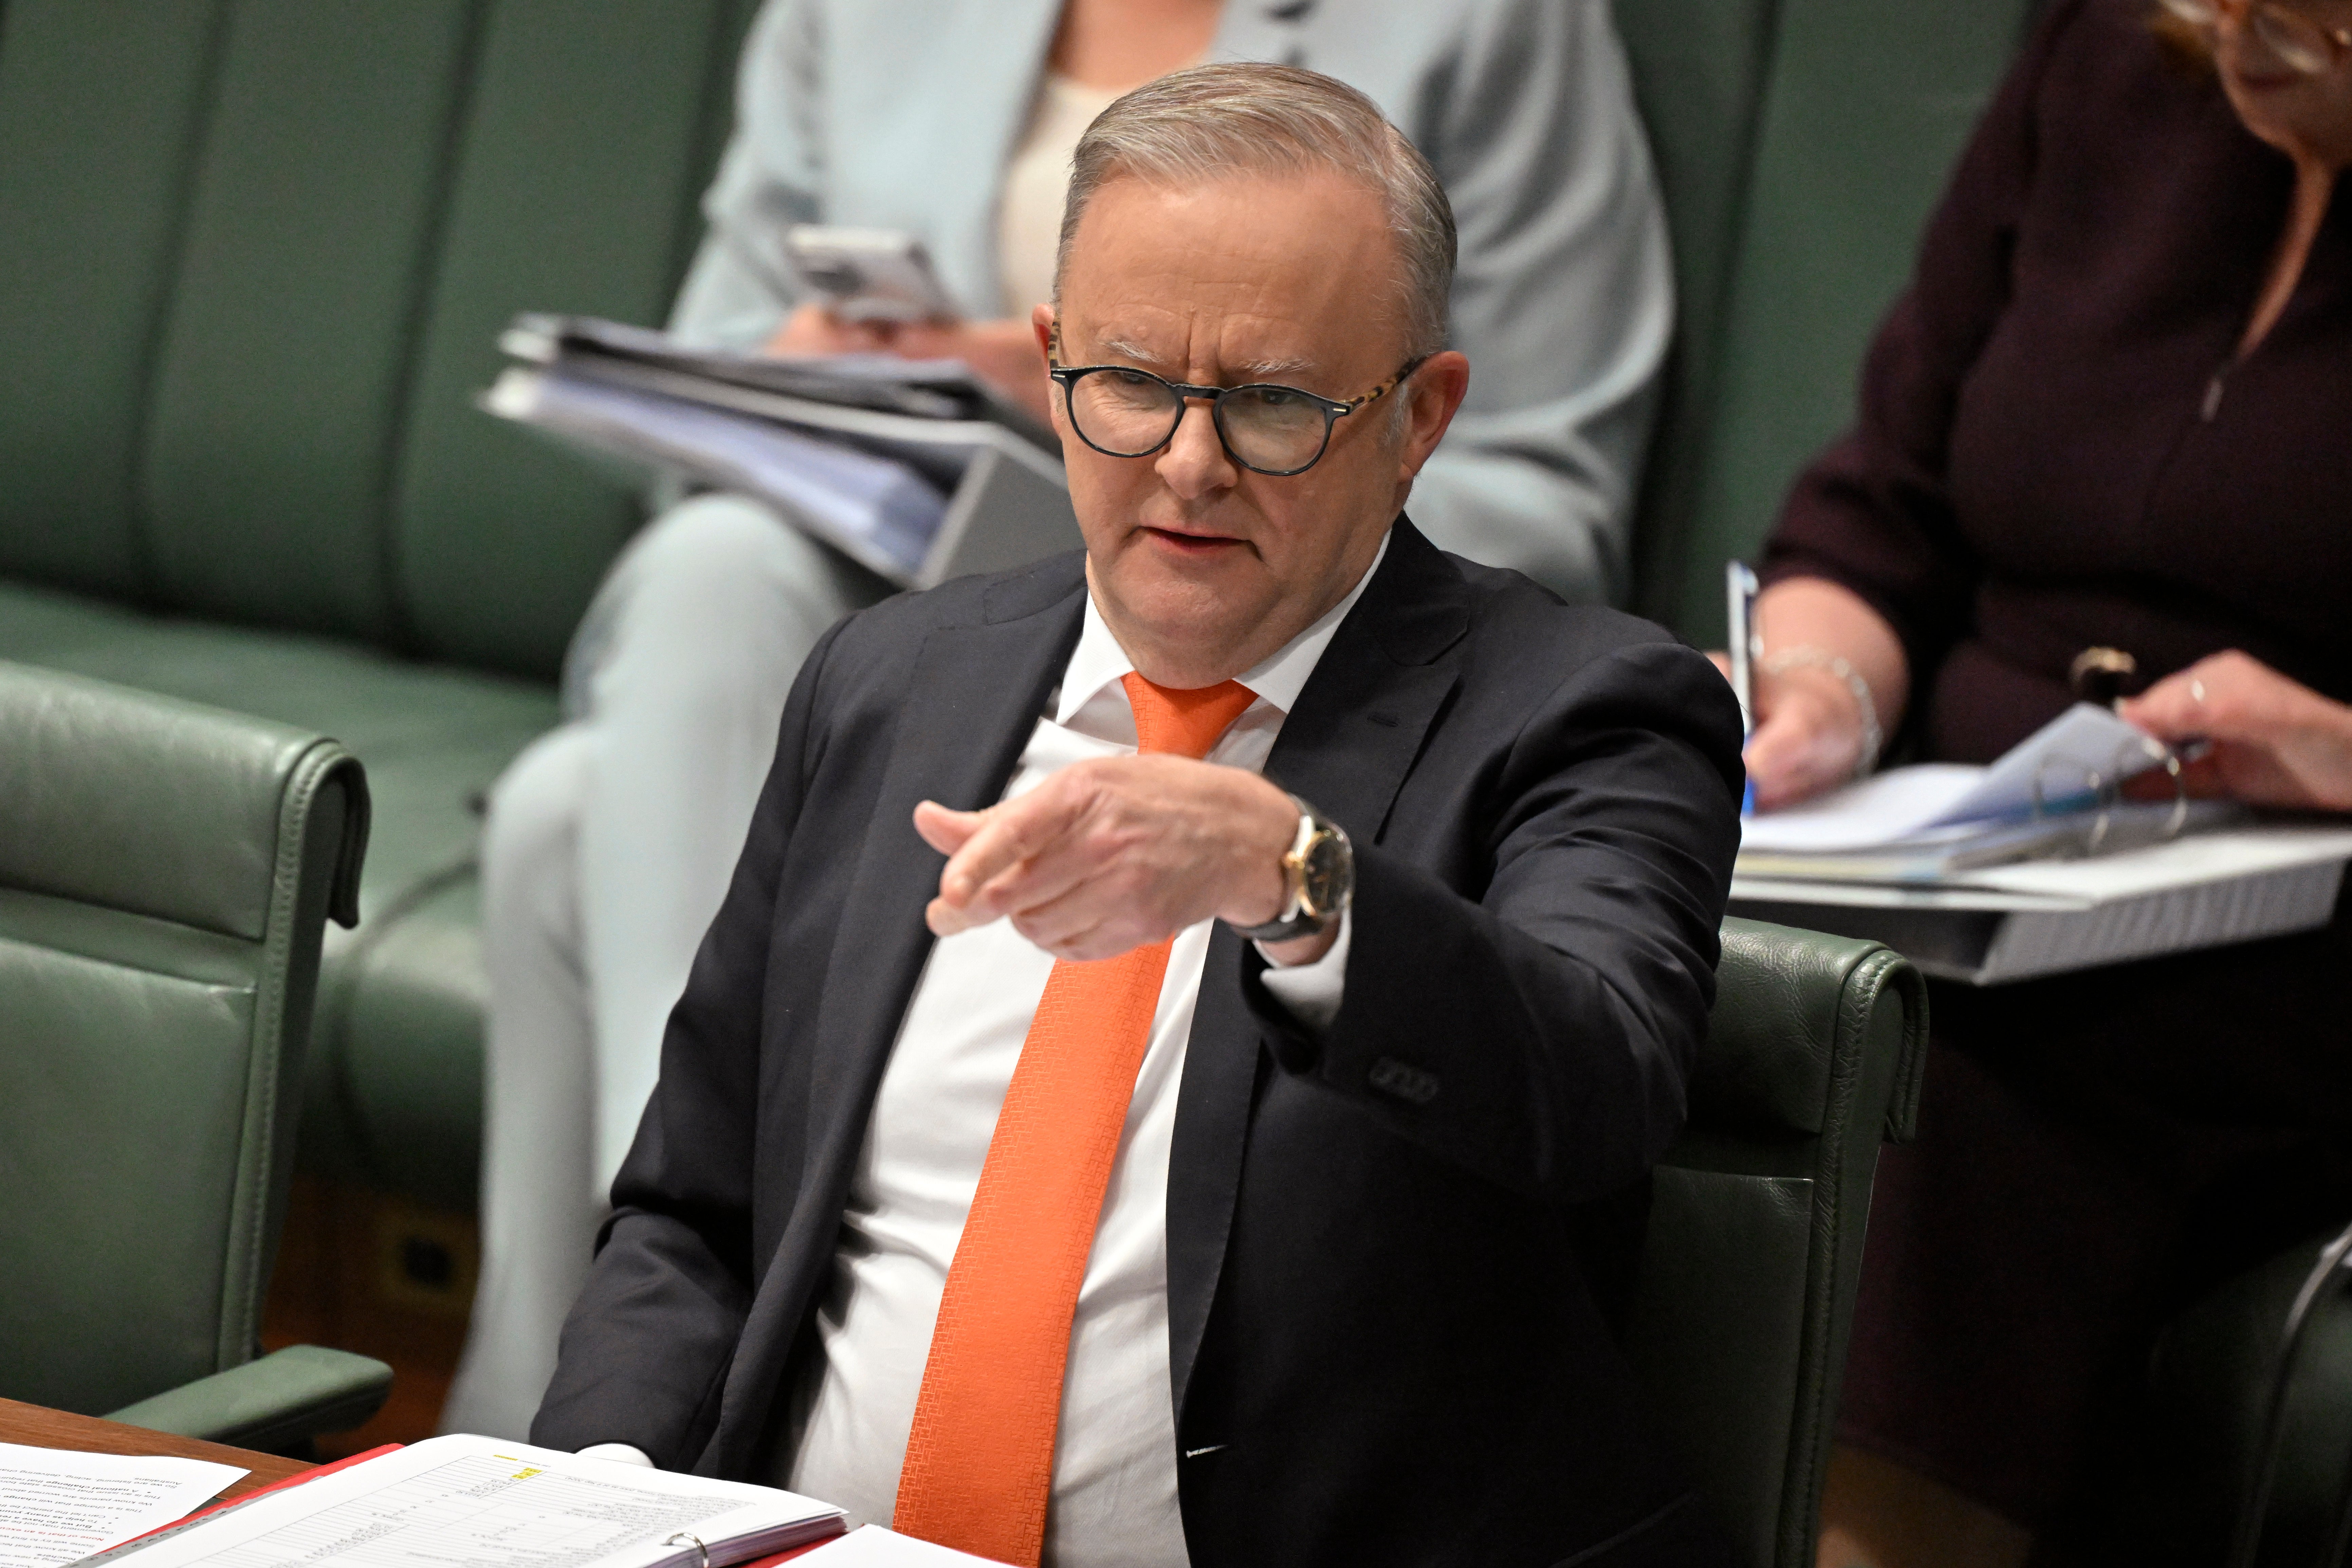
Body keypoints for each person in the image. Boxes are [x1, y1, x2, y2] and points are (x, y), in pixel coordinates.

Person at [526, 63, 1741, 1568]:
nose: (1186, 463)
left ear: (1420, 417)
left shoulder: (1580, 711)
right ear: (1048, 367)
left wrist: (1289, 873)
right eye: (1131, 385)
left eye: (1273, 404)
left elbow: (1598, 1077)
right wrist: (596, 1498)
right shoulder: (892, 681)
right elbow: (693, 1216)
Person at [1727, 0, 2352, 1562]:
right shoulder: (2106, 73)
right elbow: (1876, 506)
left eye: (2297, 14)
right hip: (1984, 859)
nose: (2231, 37)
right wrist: (1820, 696)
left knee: (1946, 1088)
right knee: (1607, 960)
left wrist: (2333, 748)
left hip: (2292, 942)